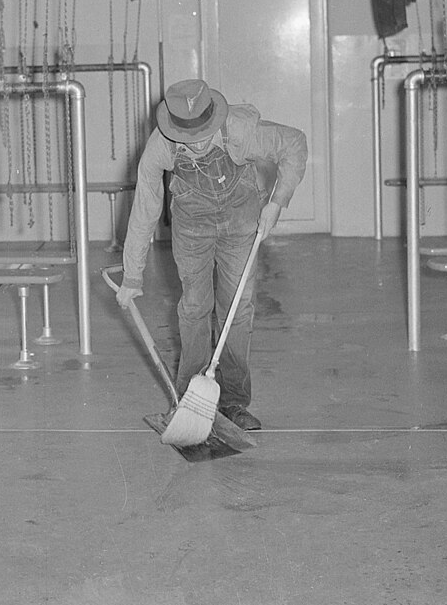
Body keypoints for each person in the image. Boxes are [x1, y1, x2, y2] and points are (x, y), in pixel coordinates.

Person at [117, 79, 307, 431]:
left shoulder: (241, 130)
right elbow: (144, 208)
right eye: (189, 138)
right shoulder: (160, 147)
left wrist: (277, 202)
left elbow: (295, 143)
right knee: (194, 308)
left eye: (205, 133)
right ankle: (190, 400)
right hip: (192, 227)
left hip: (240, 221)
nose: (199, 143)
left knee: (237, 308)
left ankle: (234, 402)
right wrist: (132, 275)